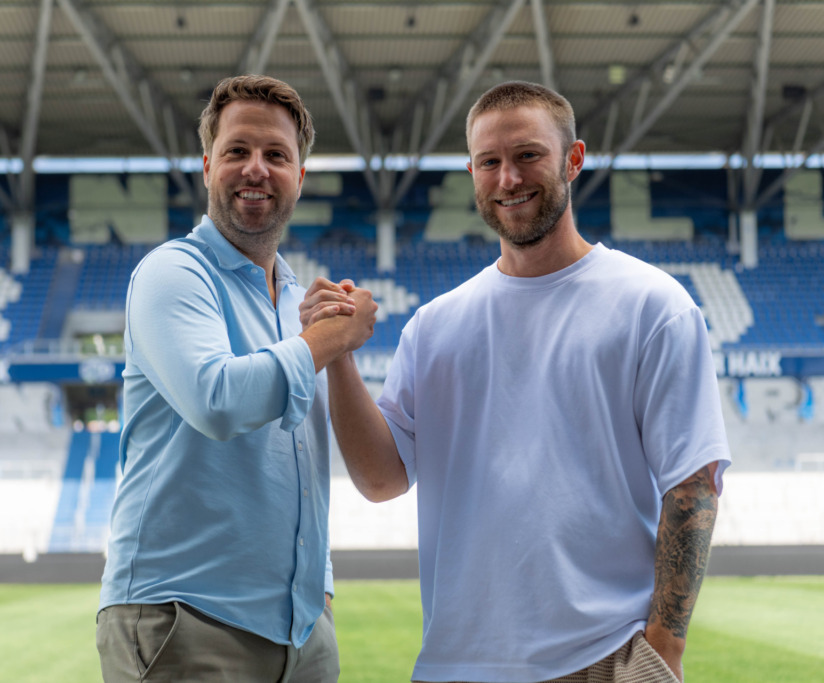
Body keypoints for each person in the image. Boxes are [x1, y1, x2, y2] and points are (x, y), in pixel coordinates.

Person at [302, 81, 730, 683]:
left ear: (573, 159)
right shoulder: (435, 326)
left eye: (528, 155)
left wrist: (662, 650)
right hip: (455, 664)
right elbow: (379, 479)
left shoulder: (652, 305)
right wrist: (339, 353)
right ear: (472, 171)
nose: (508, 178)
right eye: (490, 162)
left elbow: (693, 484)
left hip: (603, 657)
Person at [96, 74, 377, 683]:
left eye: (276, 155)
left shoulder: (297, 299)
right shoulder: (173, 272)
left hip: (301, 631)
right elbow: (216, 401)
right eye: (237, 152)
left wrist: (318, 595)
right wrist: (332, 338)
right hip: (187, 619)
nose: (256, 168)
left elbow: (302, 463)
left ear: (300, 176)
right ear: (206, 167)